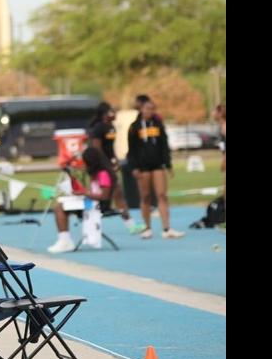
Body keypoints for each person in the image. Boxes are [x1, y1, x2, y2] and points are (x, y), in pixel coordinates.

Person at [45, 135, 117, 253]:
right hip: (92, 202)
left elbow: (104, 196)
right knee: (60, 204)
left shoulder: (103, 174)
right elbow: (92, 189)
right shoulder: (97, 172)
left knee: (59, 207)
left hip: (98, 206)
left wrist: (84, 193)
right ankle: (64, 240)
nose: (85, 165)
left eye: (86, 162)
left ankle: (65, 241)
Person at [124, 94, 183, 239]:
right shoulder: (134, 127)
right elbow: (131, 150)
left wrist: (168, 164)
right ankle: (147, 228)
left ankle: (166, 229)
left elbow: (164, 145)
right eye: (147, 108)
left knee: (162, 195)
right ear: (141, 109)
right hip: (142, 167)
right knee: (145, 196)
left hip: (157, 165)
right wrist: (134, 167)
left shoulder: (158, 125)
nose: (150, 111)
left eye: (152, 109)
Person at [86, 101, 136, 230]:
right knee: (103, 194)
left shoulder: (111, 127)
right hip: (100, 167)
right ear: (105, 114)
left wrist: (115, 159)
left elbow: (110, 147)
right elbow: (97, 149)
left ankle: (130, 224)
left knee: (118, 194)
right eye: (112, 111)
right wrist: (107, 166)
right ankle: (92, 224)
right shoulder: (98, 128)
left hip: (108, 164)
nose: (115, 114)